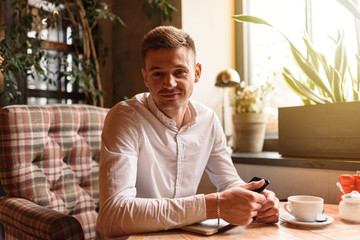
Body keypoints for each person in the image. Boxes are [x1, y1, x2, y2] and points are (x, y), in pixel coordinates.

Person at [96, 25, 279, 239]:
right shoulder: (125, 117)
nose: (169, 83)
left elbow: (229, 182)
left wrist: (257, 201)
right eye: (158, 74)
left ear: (197, 73)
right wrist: (214, 205)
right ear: (146, 78)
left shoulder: (209, 119)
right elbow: (113, 215)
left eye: (179, 72)